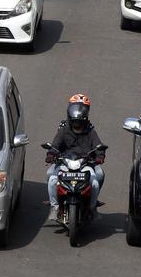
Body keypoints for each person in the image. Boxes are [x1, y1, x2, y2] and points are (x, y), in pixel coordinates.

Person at [45, 93, 105, 224]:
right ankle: (55, 208)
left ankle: (92, 208)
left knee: (95, 183)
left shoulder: (90, 130)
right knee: (52, 180)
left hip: (85, 164)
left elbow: (98, 145)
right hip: (64, 163)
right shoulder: (63, 129)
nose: (77, 123)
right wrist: (51, 154)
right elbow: (55, 144)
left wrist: (100, 155)